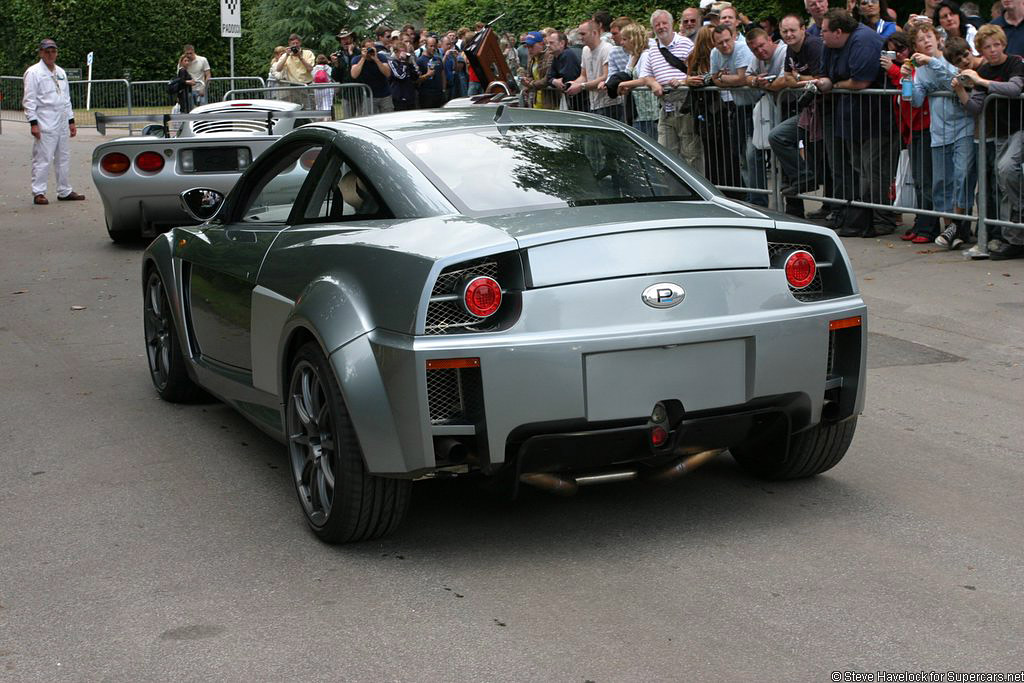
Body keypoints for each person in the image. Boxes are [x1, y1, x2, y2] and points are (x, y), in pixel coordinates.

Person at [812, 8, 896, 237]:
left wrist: (836, 85)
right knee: (859, 167)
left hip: (876, 118)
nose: (821, 34)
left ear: (838, 32)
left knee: (874, 168)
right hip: (851, 118)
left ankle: (882, 219)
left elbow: (860, 82)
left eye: (825, 31)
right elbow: (826, 74)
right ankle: (864, 218)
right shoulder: (831, 45)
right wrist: (828, 82)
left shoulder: (863, 41)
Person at [958, 24, 1024, 258]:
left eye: (997, 45)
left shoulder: (1015, 62)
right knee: (1001, 179)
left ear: (1003, 44)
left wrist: (982, 81)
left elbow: (1015, 88)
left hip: (1020, 127)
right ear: (981, 50)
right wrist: (960, 91)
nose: (993, 50)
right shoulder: (984, 70)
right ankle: (1013, 238)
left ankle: (1019, 217)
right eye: (987, 47)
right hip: (1001, 132)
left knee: (1006, 169)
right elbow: (977, 107)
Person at [907, 23, 976, 248]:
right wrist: (907, 79)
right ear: (915, 47)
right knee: (941, 183)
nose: (926, 41)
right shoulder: (920, 70)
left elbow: (957, 81)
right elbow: (916, 101)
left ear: (938, 39)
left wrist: (932, 62)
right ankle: (951, 229)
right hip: (938, 132)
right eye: (920, 39)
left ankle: (959, 226)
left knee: (962, 176)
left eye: (929, 36)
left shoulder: (949, 59)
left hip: (963, 127)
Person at [619, 10, 702, 170]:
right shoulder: (653, 50)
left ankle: (695, 186)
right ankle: (672, 187)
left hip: (686, 107)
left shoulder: (686, 44)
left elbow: (699, 73)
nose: (661, 27)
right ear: (653, 27)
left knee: (691, 155)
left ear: (672, 24)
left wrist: (683, 81)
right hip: (665, 108)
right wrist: (653, 84)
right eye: (657, 24)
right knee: (665, 157)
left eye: (664, 23)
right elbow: (646, 76)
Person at [769, 13, 825, 216]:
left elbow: (819, 79)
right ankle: (804, 177)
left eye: (793, 30)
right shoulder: (790, 49)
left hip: (824, 109)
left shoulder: (813, 46)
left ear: (803, 29)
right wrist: (800, 79)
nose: (788, 34)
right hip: (808, 110)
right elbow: (787, 79)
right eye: (784, 31)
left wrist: (798, 76)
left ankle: (831, 206)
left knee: (826, 160)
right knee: (778, 136)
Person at [23, 38, 84, 205]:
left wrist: (71, 121)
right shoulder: (33, 72)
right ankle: (38, 192)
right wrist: (33, 123)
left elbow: (66, 99)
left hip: (62, 120)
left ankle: (64, 190)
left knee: (63, 157)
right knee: (43, 157)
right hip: (45, 120)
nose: (50, 55)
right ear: (41, 53)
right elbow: (29, 100)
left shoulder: (61, 72)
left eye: (53, 51)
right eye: (47, 51)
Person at [743, 28, 789, 206]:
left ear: (770, 39)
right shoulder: (757, 59)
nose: (760, 51)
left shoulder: (784, 52)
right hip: (767, 110)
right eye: (754, 49)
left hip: (789, 108)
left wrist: (765, 85)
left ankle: (792, 205)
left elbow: (784, 81)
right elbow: (747, 77)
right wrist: (755, 81)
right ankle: (758, 202)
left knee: (783, 157)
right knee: (753, 153)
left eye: (762, 46)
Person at [710, 25, 755, 189]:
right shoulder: (714, 54)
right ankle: (750, 194)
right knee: (741, 154)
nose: (724, 45)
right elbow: (714, 79)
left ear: (734, 37)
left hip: (755, 105)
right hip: (738, 107)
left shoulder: (742, 49)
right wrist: (728, 79)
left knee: (752, 154)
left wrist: (723, 77)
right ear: (714, 44)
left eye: (727, 40)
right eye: (720, 42)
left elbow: (742, 78)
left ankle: (759, 196)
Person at [565, 19, 621, 119]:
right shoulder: (585, 50)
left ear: (594, 33)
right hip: (594, 103)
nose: (580, 37)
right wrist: (573, 84)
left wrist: (581, 86)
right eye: (580, 34)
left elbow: (606, 76)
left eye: (583, 34)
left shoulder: (607, 49)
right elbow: (583, 76)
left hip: (610, 103)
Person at [351, 38, 394, 112]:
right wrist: (363, 58)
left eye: (372, 47)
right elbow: (354, 75)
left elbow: (388, 74)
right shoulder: (357, 59)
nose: (370, 50)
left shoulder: (381, 57)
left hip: (385, 95)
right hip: (369, 96)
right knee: (370, 117)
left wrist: (376, 59)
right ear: (362, 49)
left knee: (388, 117)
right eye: (368, 48)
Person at [274, 34, 316, 107]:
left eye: (297, 43)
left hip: (307, 85)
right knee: (297, 108)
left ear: (300, 43)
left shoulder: (308, 53)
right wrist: (286, 55)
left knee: (310, 107)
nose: (295, 45)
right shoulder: (286, 55)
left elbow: (310, 69)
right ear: (289, 44)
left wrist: (300, 57)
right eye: (293, 44)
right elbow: (278, 69)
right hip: (294, 87)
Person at [520, 31, 555, 109]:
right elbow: (530, 75)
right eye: (527, 46)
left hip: (550, 101)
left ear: (541, 44)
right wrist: (527, 81)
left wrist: (531, 84)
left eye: (531, 46)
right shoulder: (531, 57)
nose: (529, 49)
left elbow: (547, 78)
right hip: (536, 100)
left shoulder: (550, 55)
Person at [416, 36, 446, 108]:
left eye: (434, 46)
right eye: (431, 46)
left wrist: (444, 89)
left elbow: (443, 74)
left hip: (439, 93)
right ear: (426, 46)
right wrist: (428, 75)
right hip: (426, 95)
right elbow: (417, 79)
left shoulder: (438, 59)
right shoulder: (420, 61)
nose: (433, 48)